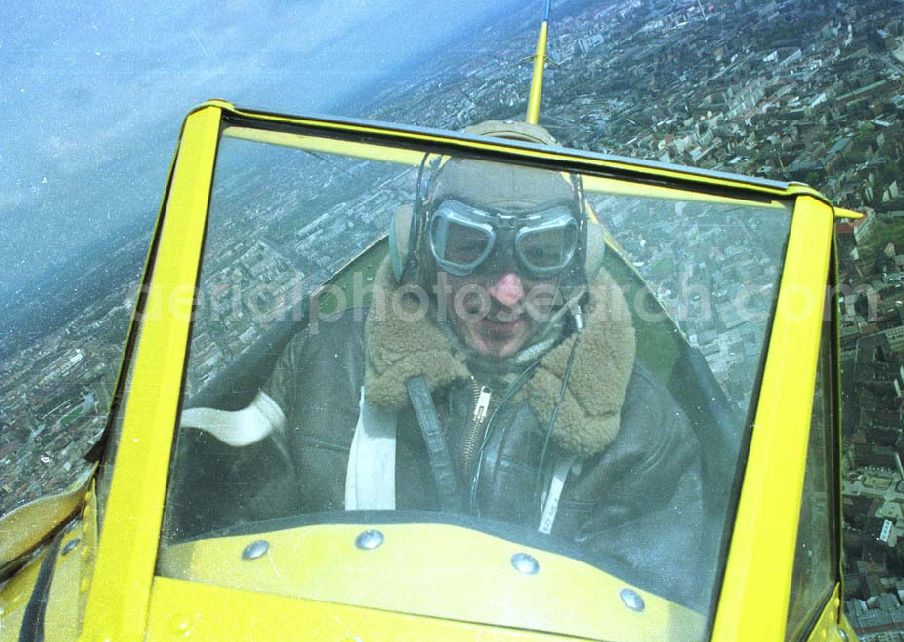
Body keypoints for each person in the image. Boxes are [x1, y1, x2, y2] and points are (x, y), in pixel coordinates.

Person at [173, 121, 709, 608]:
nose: (506, 293)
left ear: (580, 261)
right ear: (420, 251)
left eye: (542, 252)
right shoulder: (323, 360)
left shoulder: (642, 430)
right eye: (469, 246)